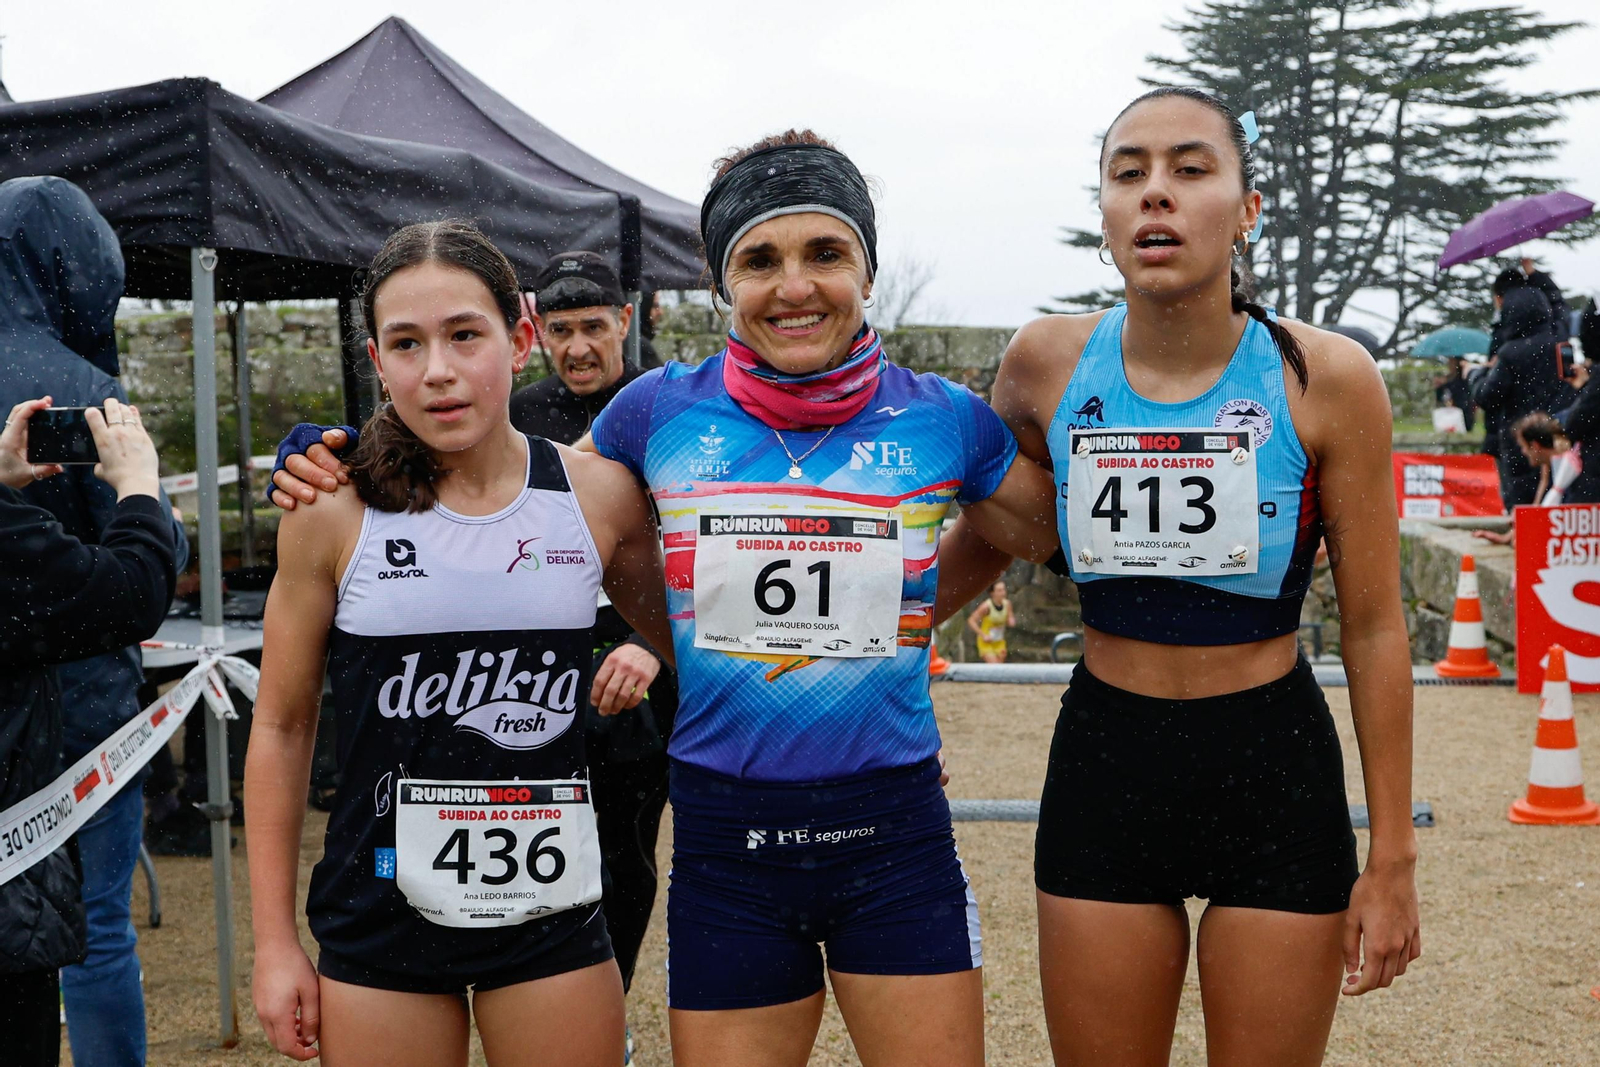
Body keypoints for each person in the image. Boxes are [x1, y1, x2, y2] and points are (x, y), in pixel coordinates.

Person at [939, 87, 1421, 1066]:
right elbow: (1003, 525)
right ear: (1104, 210)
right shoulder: (1042, 364)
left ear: (1246, 208)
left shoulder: (1325, 377)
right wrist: (884, 628)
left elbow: (1374, 626)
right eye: (1129, 172)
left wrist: (1394, 858)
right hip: (1107, 764)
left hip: (1272, 767)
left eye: (1190, 169)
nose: (1156, 194)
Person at [582, 130, 1053, 1067]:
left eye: (824, 254)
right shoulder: (653, 412)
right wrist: (350, 462)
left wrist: (908, 618)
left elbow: (1037, 531)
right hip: (726, 845)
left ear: (868, 270)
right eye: (759, 260)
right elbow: (533, 506)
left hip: (895, 839)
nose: (794, 286)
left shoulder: (941, 418)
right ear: (723, 285)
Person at [244, 220, 674, 1066]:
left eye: (464, 335)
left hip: (550, 919)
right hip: (380, 915)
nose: (436, 370)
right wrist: (272, 943)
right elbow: (282, 725)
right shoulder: (330, 509)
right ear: (377, 359)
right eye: (407, 343)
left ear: (517, 341)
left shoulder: (599, 497)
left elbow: (699, 649)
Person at [0, 174, 189, 1066]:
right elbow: (143, 568)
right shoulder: (84, 385)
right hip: (83, 698)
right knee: (97, 927)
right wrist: (146, 494)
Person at [1473, 284, 1574, 509]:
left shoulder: (1511, 352)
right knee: (1554, 507)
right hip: (1554, 439)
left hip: (1522, 444)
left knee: (1521, 512)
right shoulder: (1560, 342)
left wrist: (1477, 375)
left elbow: (1488, 397)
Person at [966, 579, 1015, 663]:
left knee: (1000, 670)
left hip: (999, 642)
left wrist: (1011, 621)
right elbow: (971, 620)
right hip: (986, 641)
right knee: (994, 667)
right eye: (999, 591)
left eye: (1003, 590)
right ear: (992, 593)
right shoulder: (986, 606)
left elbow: (1010, 617)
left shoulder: (1007, 604)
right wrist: (983, 635)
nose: (1003, 593)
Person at [1432, 356, 1476, 432]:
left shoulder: (1463, 379)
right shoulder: (1448, 379)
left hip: (1463, 413)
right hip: (1451, 414)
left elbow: (1462, 395)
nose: (1450, 365)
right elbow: (1441, 398)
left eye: (1452, 362)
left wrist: (1446, 383)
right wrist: (1439, 387)